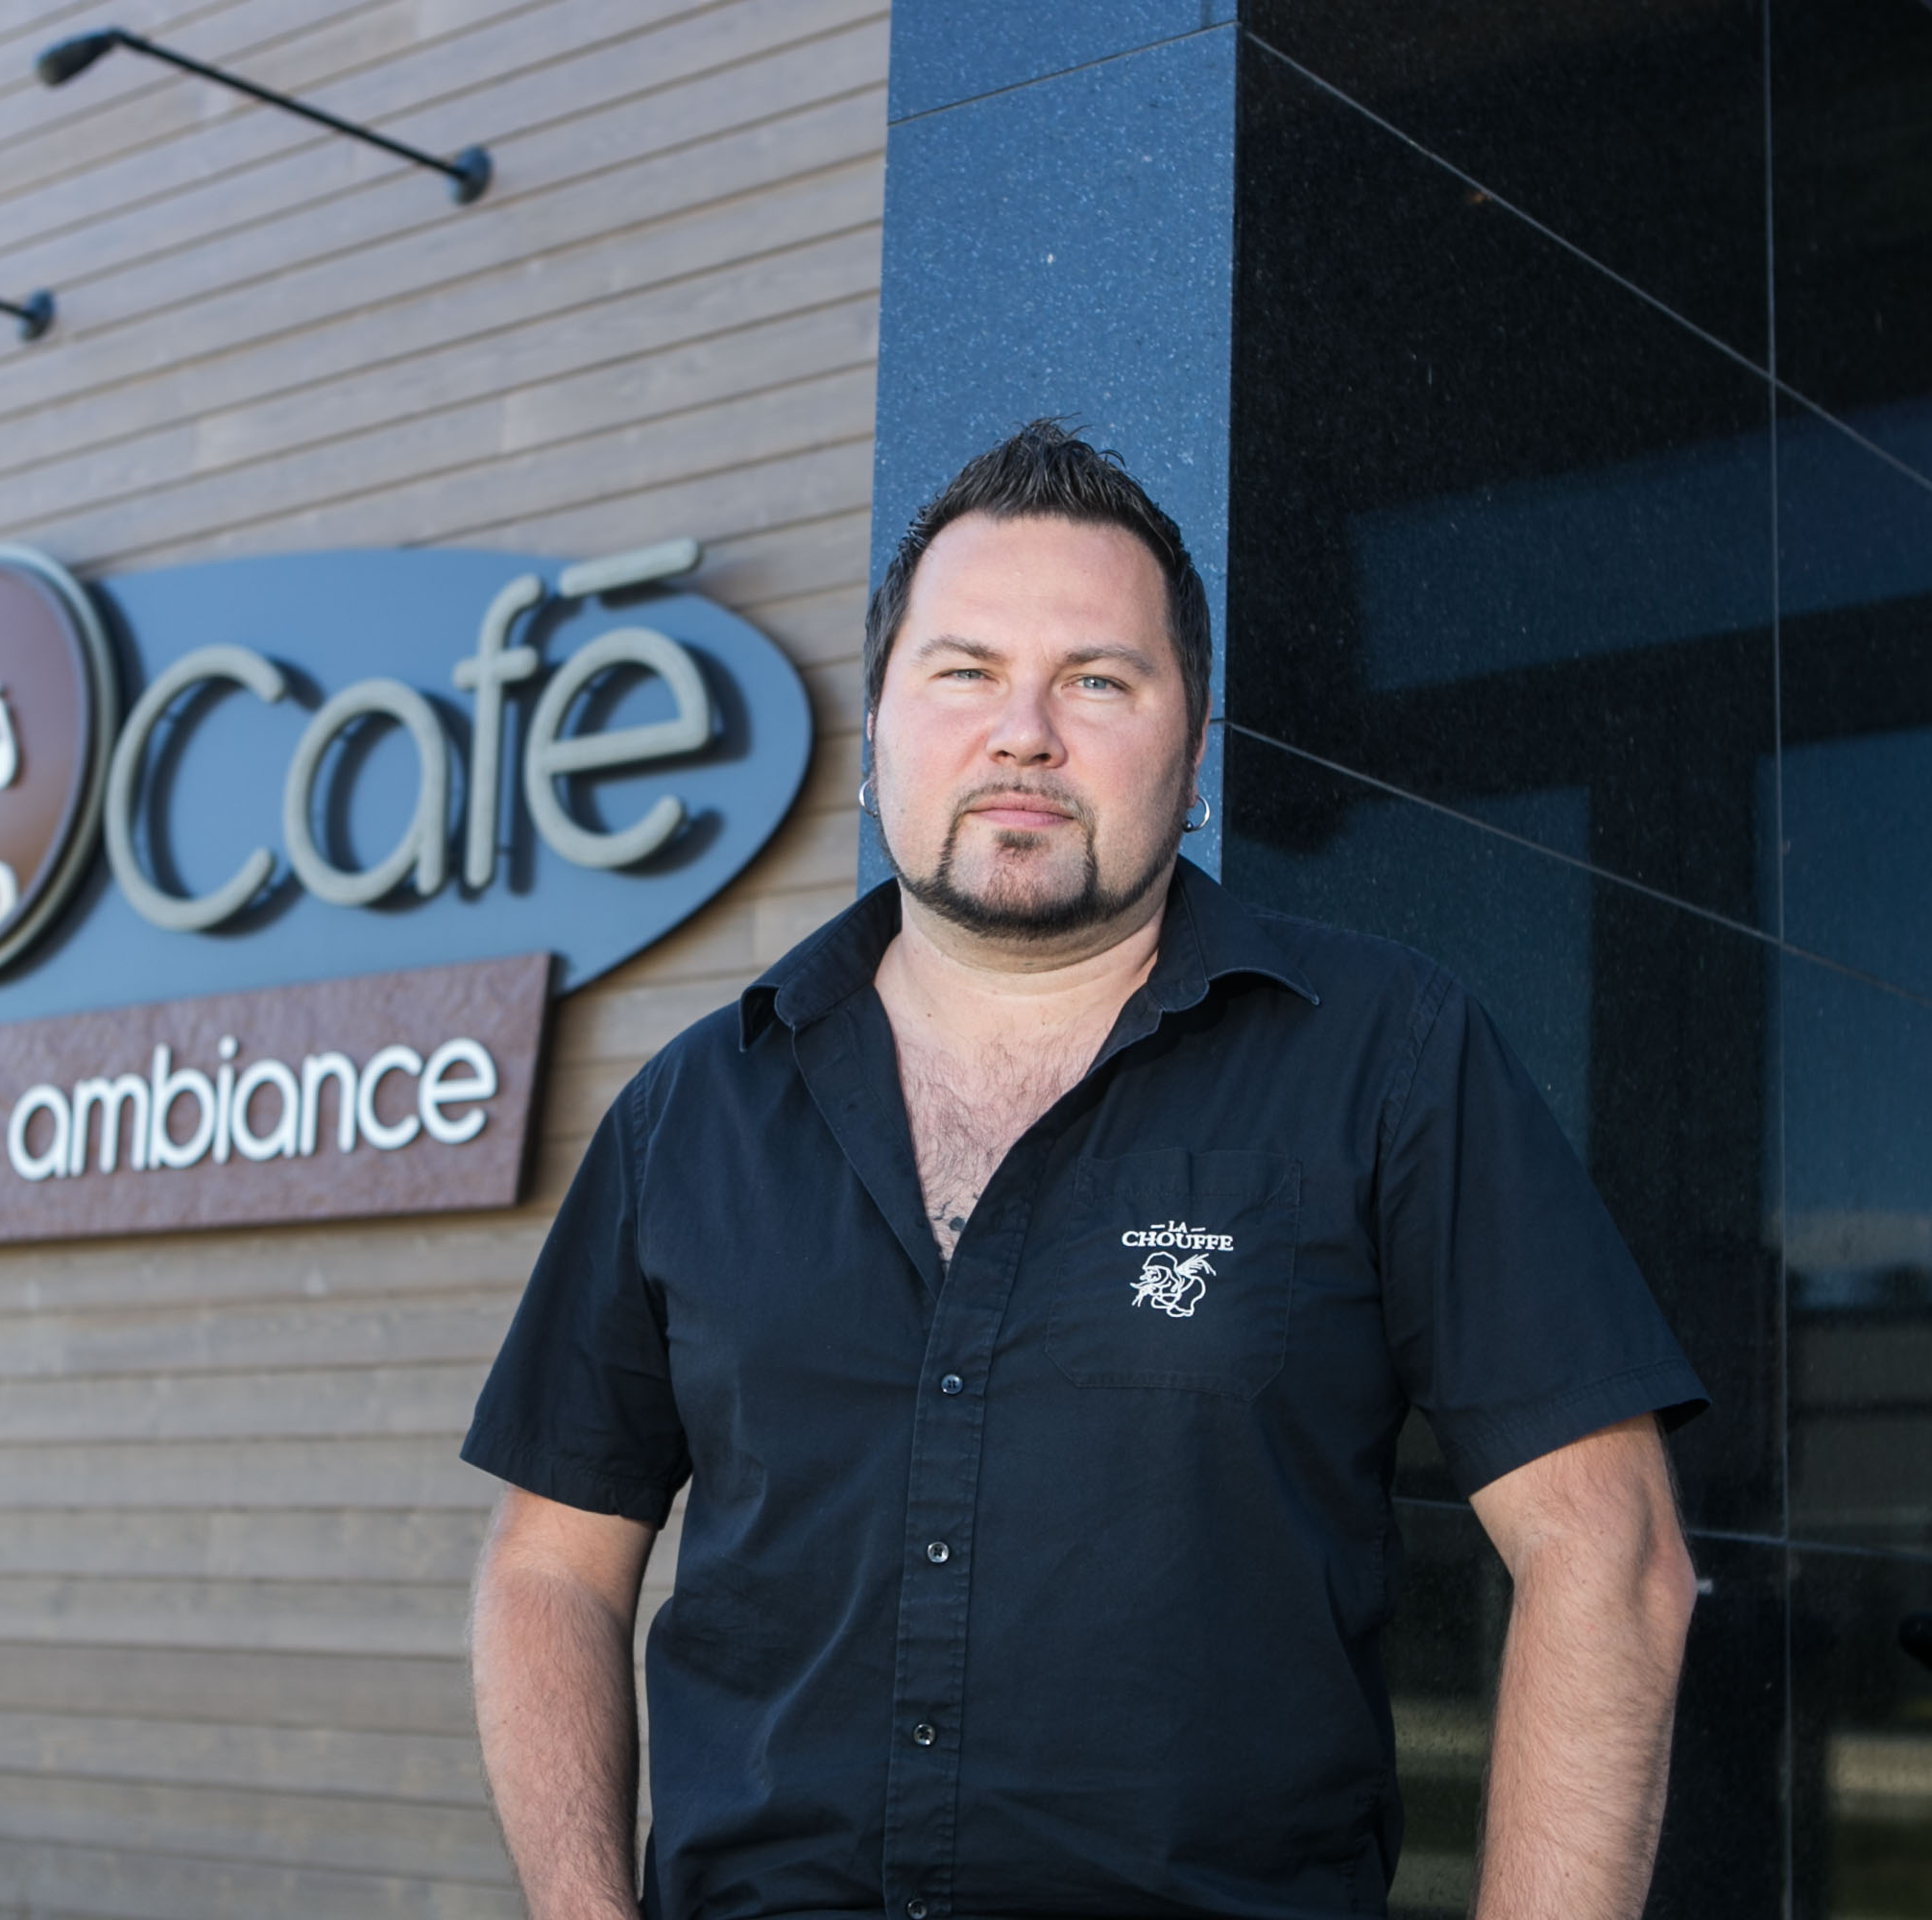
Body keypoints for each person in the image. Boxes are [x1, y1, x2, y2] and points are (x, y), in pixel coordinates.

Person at [462, 420, 1706, 1920]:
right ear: (880, 733)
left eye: (1098, 680)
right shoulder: (692, 1113)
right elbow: (550, 1566)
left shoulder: (1388, 1055)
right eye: (965, 671)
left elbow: (1608, 1550)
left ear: (1194, 756)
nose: (1025, 733)